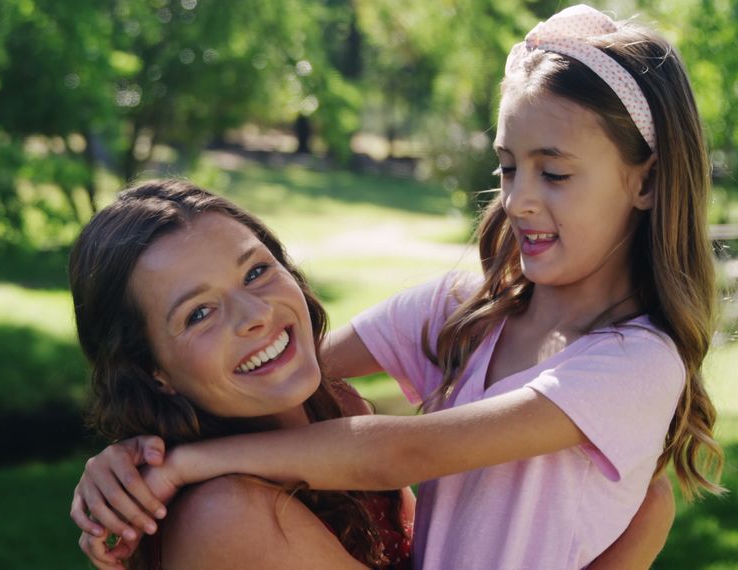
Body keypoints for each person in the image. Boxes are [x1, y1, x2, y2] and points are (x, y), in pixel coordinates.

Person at [72, 5, 724, 569]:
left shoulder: (634, 360)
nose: (518, 200)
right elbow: (279, 370)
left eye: (553, 173)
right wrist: (136, 455)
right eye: (506, 167)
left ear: (645, 181)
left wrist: (185, 465)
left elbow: (405, 452)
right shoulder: (463, 309)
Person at [68, 180, 414, 569]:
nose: (256, 315)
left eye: (256, 272)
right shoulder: (225, 513)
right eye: (199, 313)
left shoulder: (336, 404)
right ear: (152, 371)